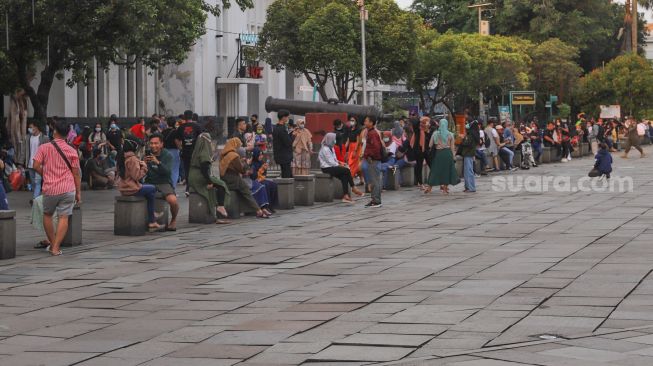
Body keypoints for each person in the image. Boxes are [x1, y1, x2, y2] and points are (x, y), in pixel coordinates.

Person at [32, 120, 82, 256]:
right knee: (63, 217)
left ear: (54, 132)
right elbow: (76, 173)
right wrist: (78, 193)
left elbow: (35, 166)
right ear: (67, 135)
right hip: (68, 188)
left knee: (47, 215)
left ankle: (53, 243)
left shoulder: (44, 147)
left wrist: (46, 174)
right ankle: (55, 247)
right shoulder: (72, 150)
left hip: (51, 188)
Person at [117, 139, 162, 231]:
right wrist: (144, 167)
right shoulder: (132, 159)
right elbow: (137, 176)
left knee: (150, 193)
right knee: (153, 188)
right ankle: (152, 218)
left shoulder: (122, 157)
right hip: (131, 188)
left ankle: (152, 217)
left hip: (123, 188)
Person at [220, 138, 270, 218]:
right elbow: (241, 169)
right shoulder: (234, 155)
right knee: (246, 191)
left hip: (224, 178)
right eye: (239, 145)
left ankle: (257, 209)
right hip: (233, 178)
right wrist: (246, 170)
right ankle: (258, 210)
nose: (240, 147)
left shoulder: (224, 154)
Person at [189, 132, 231, 224]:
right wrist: (209, 182)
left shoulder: (196, 151)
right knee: (221, 184)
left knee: (214, 188)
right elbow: (204, 168)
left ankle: (214, 214)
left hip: (192, 176)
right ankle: (220, 205)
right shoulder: (204, 152)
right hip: (200, 177)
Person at [144, 134, 180, 231]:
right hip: (149, 181)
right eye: (151, 143)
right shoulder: (146, 154)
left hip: (163, 182)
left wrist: (158, 163)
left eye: (156, 143)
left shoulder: (167, 155)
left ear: (161, 144)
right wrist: (142, 163)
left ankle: (173, 220)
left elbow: (167, 172)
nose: (153, 145)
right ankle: (148, 220)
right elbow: (142, 173)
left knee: (173, 200)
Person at [319, 133, 363, 203]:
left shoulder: (331, 147)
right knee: (347, 170)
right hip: (326, 168)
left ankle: (345, 196)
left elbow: (334, 159)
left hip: (332, 166)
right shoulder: (325, 149)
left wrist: (341, 163)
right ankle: (353, 187)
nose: (335, 141)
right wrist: (340, 165)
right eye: (334, 139)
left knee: (344, 176)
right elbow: (331, 162)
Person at [425, 119, 460, 195]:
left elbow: (430, 145)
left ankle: (429, 188)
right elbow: (452, 147)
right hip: (448, 154)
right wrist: (453, 156)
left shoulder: (435, 134)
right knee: (446, 171)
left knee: (434, 170)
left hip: (438, 154)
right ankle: (444, 189)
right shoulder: (450, 134)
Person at [176, 110, 203, 194]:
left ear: (184, 117)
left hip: (185, 152)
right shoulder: (197, 126)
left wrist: (180, 148)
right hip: (195, 152)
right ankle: (195, 187)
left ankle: (188, 188)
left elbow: (177, 140)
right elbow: (201, 138)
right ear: (192, 117)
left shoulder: (181, 127)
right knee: (195, 169)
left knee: (187, 170)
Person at [20, 122, 49, 199]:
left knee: (37, 182)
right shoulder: (27, 138)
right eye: (29, 127)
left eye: (31, 127)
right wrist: (21, 161)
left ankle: (35, 199)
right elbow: (24, 150)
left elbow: (48, 151)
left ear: (36, 127)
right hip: (30, 164)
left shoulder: (44, 138)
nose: (30, 129)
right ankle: (38, 198)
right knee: (33, 183)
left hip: (40, 164)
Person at [362, 116, 383, 208]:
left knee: (374, 181)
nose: (365, 122)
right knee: (375, 180)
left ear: (371, 123)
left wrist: (369, 155)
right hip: (373, 159)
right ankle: (375, 199)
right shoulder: (370, 132)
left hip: (373, 159)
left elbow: (375, 147)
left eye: (366, 121)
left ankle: (376, 201)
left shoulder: (372, 133)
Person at [272, 110, 294, 178]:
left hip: (279, 155)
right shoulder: (282, 129)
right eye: (287, 117)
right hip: (285, 156)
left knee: (286, 174)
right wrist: (292, 135)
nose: (288, 119)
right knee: (287, 176)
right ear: (283, 117)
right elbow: (288, 142)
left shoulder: (275, 128)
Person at [461, 121, 479, 193]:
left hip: (468, 154)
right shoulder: (474, 134)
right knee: (467, 171)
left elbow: (466, 143)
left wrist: (463, 138)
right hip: (469, 154)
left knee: (468, 171)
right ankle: (468, 187)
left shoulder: (471, 135)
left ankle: (471, 187)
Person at [162, 119, 181, 189]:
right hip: (174, 151)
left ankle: (166, 187)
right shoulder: (175, 131)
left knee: (165, 169)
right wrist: (180, 149)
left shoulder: (163, 131)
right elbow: (177, 142)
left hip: (164, 151)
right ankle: (172, 188)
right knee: (174, 170)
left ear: (167, 123)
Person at [347, 116, 363, 184]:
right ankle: (362, 180)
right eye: (350, 120)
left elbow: (358, 141)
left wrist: (355, 151)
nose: (351, 121)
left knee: (352, 164)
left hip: (356, 147)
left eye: (353, 120)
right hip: (351, 147)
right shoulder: (350, 129)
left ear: (356, 121)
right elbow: (348, 140)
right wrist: (345, 148)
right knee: (356, 165)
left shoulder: (358, 129)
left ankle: (350, 180)